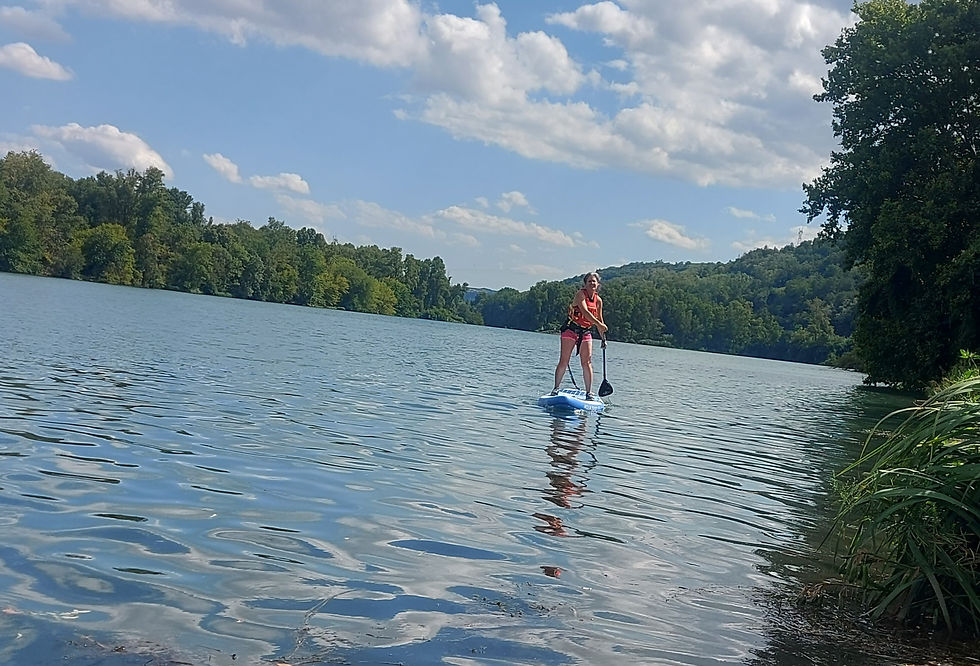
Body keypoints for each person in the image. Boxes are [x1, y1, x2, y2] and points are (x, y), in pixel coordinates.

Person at [552, 271, 607, 400]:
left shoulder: (598, 300)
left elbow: (600, 319)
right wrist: (599, 324)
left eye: (594, 281)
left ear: (598, 284)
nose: (592, 283)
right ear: (585, 284)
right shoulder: (580, 295)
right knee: (564, 360)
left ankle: (589, 393)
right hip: (571, 329)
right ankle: (556, 388)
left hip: (586, 331)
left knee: (587, 362)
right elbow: (585, 312)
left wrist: (603, 339)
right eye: (589, 281)